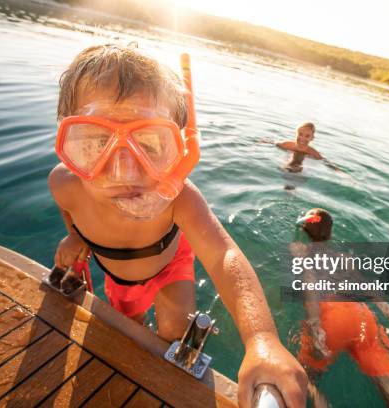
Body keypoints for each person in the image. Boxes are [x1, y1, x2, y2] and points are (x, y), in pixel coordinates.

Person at [48, 44, 307, 407]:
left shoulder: (180, 199)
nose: (124, 172)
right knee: (129, 328)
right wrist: (74, 235)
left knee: (172, 331)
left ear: (180, 152)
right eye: (95, 141)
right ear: (66, 140)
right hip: (118, 276)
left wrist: (262, 339)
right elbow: (67, 211)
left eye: (150, 144)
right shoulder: (63, 185)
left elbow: (223, 255)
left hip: (170, 263)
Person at [293, 208, 389, 407]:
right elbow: (368, 290)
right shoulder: (344, 259)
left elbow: (311, 289)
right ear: (331, 234)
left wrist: (316, 328)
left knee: (303, 376)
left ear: (304, 231)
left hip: (332, 319)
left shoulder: (303, 256)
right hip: (362, 317)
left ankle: (320, 402)